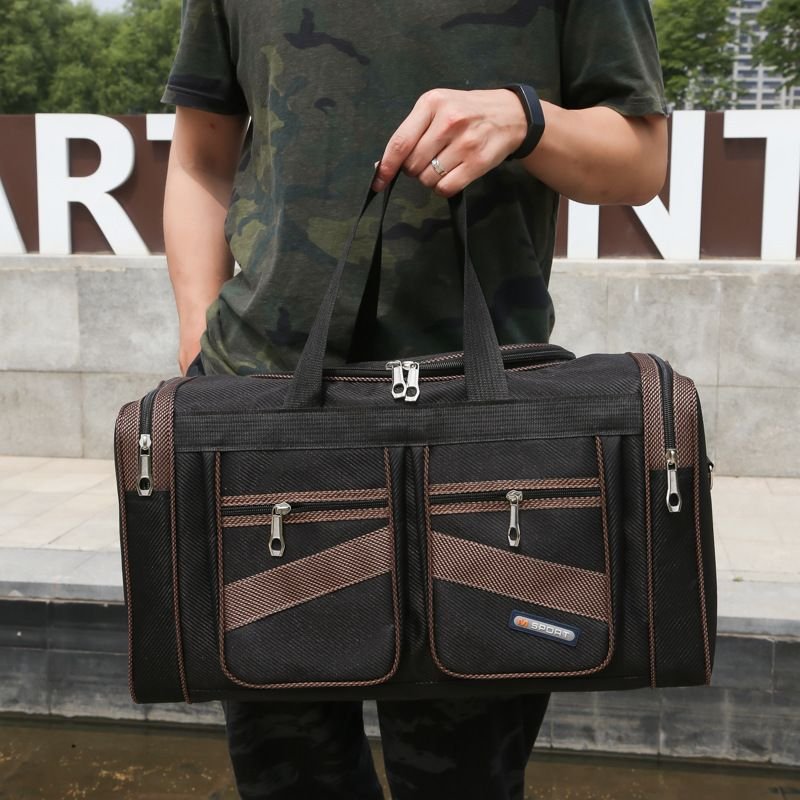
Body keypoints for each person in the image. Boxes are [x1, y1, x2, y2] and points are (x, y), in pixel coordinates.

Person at [161, 2, 667, 798]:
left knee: (465, 782)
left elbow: (640, 162)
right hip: (264, 421)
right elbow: (201, 154)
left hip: (475, 430)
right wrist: (199, 343)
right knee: (288, 781)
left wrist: (525, 119)